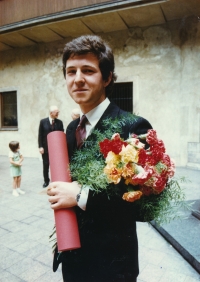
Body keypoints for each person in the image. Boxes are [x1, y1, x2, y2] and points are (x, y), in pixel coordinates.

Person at [47, 35, 153, 282]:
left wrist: (79, 195)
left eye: (88, 70)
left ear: (107, 78)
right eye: (71, 72)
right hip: (73, 260)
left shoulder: (133, 126)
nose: (78, 79)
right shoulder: (72, 128)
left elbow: (145, 207)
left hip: (112, 267)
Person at [38, 105, 64, 187]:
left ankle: (57, 179)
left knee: (56, 164)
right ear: (51, 113)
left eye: (58, 112)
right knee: (46, 165)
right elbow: (40, 135)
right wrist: (40, 147)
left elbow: (61, 134)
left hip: (56, 149)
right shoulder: (43, 122)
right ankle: (46, 180)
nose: (58, 113)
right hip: (46, 148)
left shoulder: (60, 122)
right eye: (56, 112)